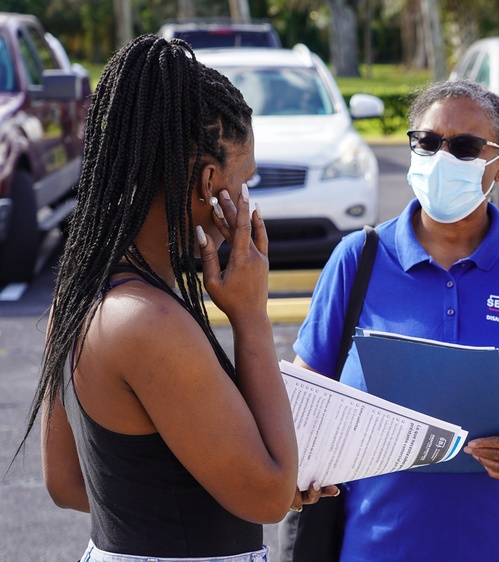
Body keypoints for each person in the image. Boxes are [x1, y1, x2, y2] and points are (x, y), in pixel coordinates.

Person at [21, 35, 325, 562]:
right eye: (244, 178)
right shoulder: (150, 323)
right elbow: (272, 496)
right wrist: (251, 315)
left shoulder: (81, 297)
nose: (247, 196)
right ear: (209, 181)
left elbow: (68, 483)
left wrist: (233, 468)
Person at [286, 79, 499, 562]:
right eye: (428, 142)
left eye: (464, 147)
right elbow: (305, 400)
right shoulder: (358, 260)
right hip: (380, 546)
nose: (441, 159)